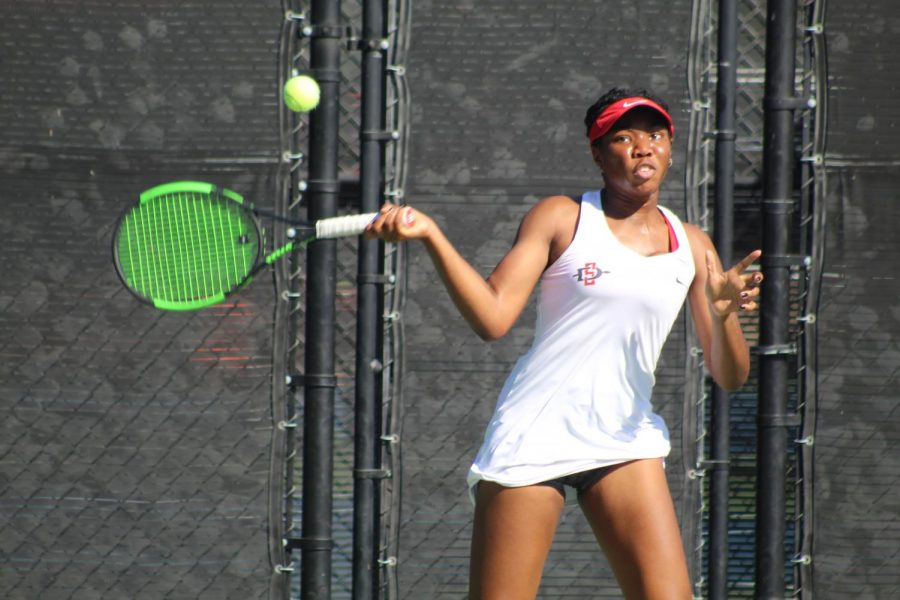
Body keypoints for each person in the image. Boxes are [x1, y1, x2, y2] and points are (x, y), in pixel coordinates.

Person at [366, 87, 763, 599]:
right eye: (623, 137)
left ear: (669, 147)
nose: (643, 147)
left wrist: (726, 314)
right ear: (598, 154)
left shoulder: (693, 243)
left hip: (625, 440)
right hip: (536, 434)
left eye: (655, 135)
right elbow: (492, 318)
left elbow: (731, 376)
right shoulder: (560, 217)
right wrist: (432, 236)